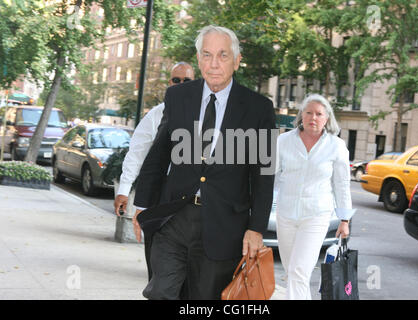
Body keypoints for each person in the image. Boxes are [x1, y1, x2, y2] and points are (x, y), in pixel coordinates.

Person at [132, 25, 276, 300]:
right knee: (161, 291)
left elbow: (263, 175)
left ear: (236, 60)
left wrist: (256, 228)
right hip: (173, 218)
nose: (214, 64)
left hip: (223, 225)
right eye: (207, 55)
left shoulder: (258, 108)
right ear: (198, 59)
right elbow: (159, 155)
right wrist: (143, 204)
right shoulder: (177, 97)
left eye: (222, 55)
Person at [113, 62, 195, 281]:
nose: (180, 84)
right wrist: (124, 189)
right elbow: (136, 153)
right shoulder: (156, 115)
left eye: (186, 81)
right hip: (159, 197)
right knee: (157, 263)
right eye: (176, 80)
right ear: (169, 83)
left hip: (190, 202)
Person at [274, 93, 356, 300]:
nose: (313, 118)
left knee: (298, 271)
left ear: (327, 119)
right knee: (292, 271)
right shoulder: (283, 141)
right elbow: (269, 176)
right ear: (301, 115)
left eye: (319, 114)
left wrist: (344, 219)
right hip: (285, 214)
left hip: (316, 216)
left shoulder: (336, 146)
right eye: (308, 112)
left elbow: (342, 183)